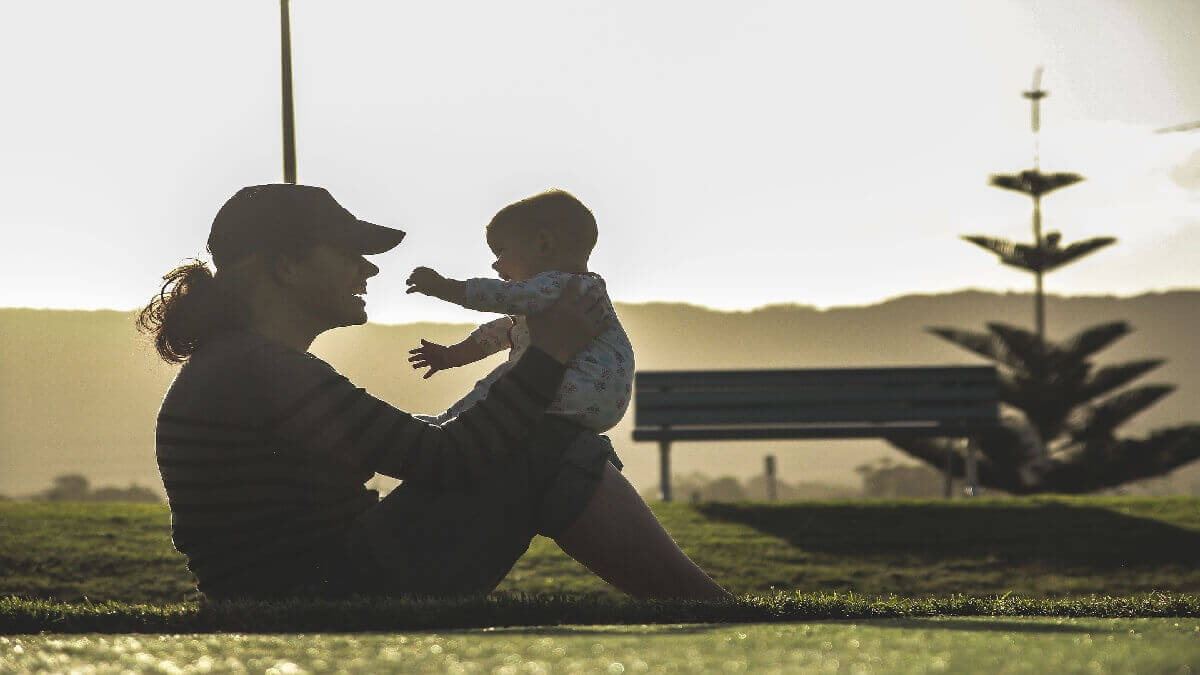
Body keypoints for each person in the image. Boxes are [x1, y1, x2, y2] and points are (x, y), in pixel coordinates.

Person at [138, 183, 729, 601]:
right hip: (323, 594)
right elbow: (448, 460)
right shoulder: (258, 370)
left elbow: (428, 454)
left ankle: (709, 611)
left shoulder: (240, 365)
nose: (367, 271)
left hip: (312, 584)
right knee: (551, 444)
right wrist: (549, 353)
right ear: (285, 267)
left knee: (543, 441)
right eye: (349, 254)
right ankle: (714, 614)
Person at [405, 189, 634, 438]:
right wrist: (452, 356)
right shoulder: (580, 292)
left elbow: (502, 296)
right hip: (601, 404)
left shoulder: (561, 284)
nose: (495, 264)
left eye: (501, 252)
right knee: (509, 378)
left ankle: (447, 426)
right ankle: (449, 423)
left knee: (503, 382)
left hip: (575, 388)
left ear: (544, 245)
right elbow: (506, 331)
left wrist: (445, 287)